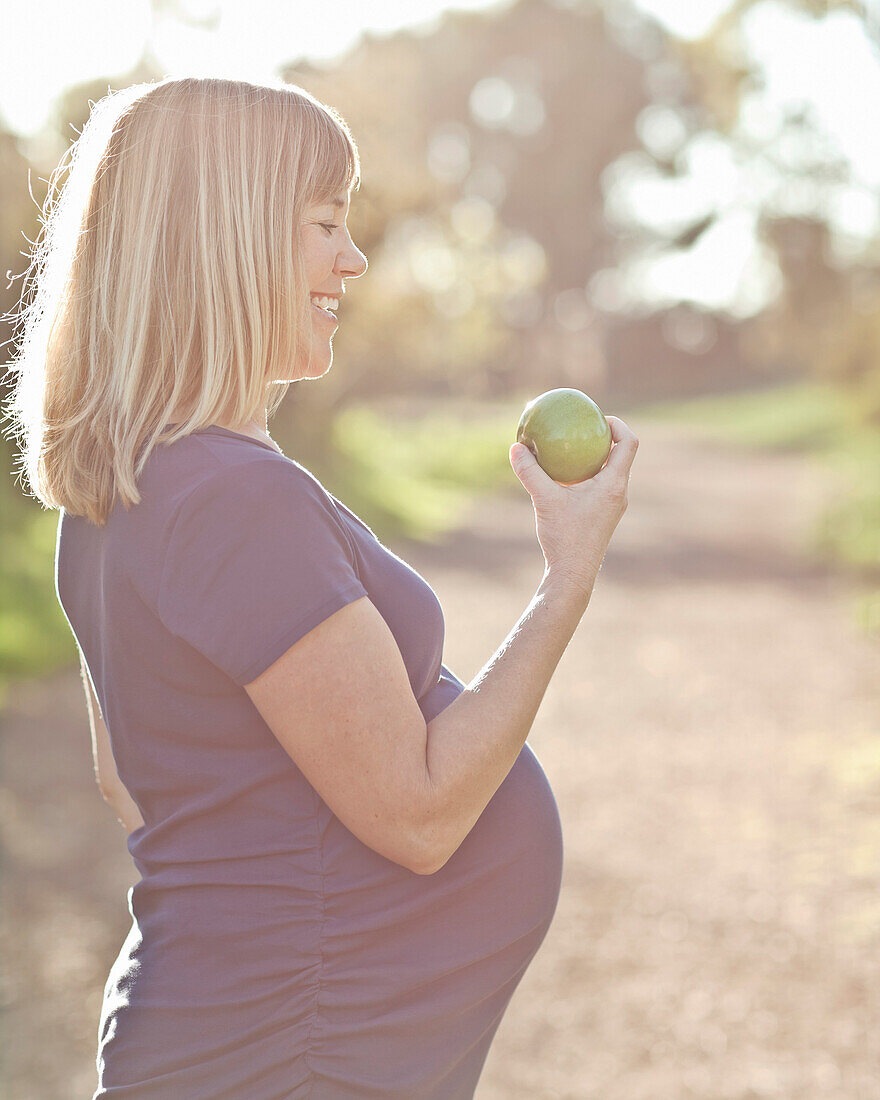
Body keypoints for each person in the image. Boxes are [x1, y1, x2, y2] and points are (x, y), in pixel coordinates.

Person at [4, 76, 638, 1098]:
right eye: (324, 223)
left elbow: (134, 780)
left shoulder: (125, 489)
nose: (353, 257)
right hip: (291, 1058)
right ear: (230, 236)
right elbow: (422, 814)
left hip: (248, 1044)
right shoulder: (236, 500)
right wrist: (568, 574)